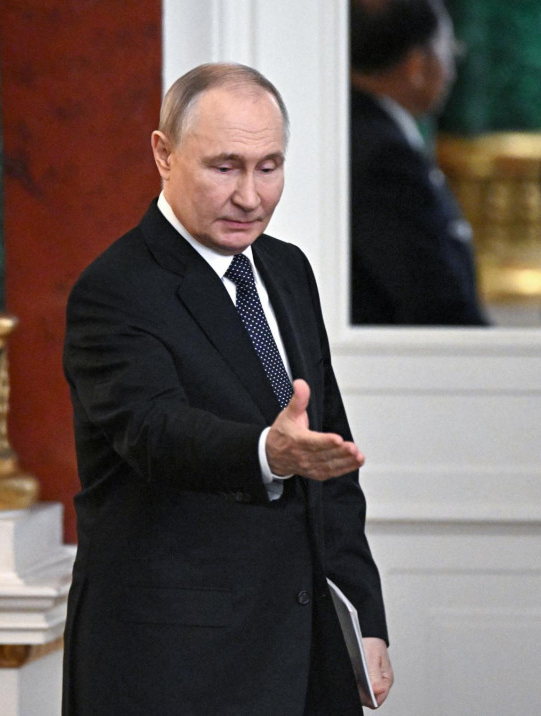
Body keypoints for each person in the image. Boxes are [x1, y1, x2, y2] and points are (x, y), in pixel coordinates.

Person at [62, 63, 392, 715]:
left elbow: (332, 464)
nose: (250, 196)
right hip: (175, 670)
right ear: (163, 154)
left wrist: (364, 618)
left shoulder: (288, 270)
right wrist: (268, 452)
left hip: (308, 655)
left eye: (269, 167)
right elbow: (155, 433)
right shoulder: (115, 289)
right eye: (225, 167)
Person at [350, 0, 488, 325]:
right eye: (449, 50)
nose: (451, 69)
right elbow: (437, 301)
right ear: (416, 65)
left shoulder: (361, 131)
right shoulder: (387, 158)